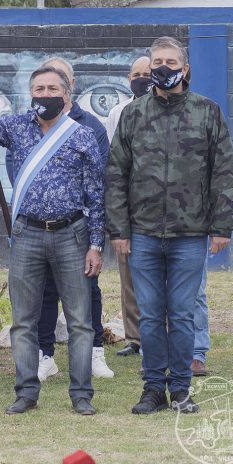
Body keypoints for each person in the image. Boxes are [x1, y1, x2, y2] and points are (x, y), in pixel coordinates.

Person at [0, 66, 104, 416]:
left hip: (73, 234)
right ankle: (26, 391)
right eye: (38, 88)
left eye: (52, 88)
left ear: (67, 94)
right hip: (27, 233)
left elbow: (96, 194)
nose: (44, 95)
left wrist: (96, 244)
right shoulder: (15, 126)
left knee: (80, 321)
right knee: (23, 320)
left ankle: (81, 394)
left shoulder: (81, 135)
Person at [106, 37, 233, 415]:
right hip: (143, 233)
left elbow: (224, 173)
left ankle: (180, 388)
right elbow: (116, 174)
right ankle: (152, 389)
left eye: (170, 61)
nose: (163, 67)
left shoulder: (207, 112)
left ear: (185, 67)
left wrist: (221, 226)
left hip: (190, 234)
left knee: (181, 313)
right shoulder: (133, 114)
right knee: (149, 315)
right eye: (157, 61)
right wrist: (120, 230)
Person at [33, 57, 112, 381]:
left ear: (71, 86)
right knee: (44, 292)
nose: (51, 92)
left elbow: (100, 174)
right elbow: (16, 165)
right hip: (38, 225)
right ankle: (44, 355)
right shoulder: (30, 124)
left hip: (78, 225)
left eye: (59, 82)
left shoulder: (90, 125)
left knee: (87, 292)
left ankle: (95, 353)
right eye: (44, 85)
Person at [105, 55, 151, 357]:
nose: (141, 78)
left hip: (162, 204)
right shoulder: (118, 112)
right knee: (129, 273)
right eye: (136, 74)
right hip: (129, 204)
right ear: (128, 78)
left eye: (146, 73)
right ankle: (134, 337)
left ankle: (163, 335)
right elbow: (113, 161)